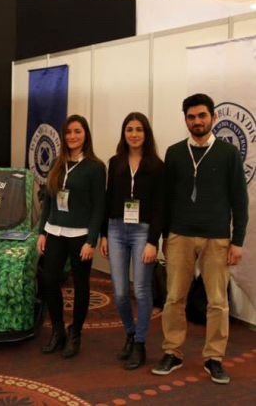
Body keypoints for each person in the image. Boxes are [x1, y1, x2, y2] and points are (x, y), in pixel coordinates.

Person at [151, 94, 249, 384]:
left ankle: (214, 358)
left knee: (217, 301)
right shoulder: (174, 153)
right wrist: (164, 236)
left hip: (216, 238)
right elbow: (166, 198)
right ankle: (172, 352)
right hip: (179, 235)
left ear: (213, 117)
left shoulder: (229, 153)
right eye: (191, 117)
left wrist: (237, 240)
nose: (197, 121)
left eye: (202, 115)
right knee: (173, 298)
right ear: (185, 120)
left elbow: (240, 200)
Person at [37, 114, 106, 358]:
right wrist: (42, 231)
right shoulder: (58, 164)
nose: (72, 136)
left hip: (80, 235)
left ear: (86, 134)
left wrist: (91, 240)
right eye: (68, 132)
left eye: (77, 131)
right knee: (49, 280)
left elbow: (99, 207)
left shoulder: (95, 167)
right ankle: (58, 330)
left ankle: (75, 332)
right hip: (54, 231)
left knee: (80, 284)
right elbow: (49, 200)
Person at [100, 112, 165, 370]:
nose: (134, 134)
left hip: (142, 232)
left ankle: (140, 343)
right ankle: (130, 332)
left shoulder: (157, 166)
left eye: (139, 129)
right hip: (116, 229)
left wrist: (153, 241)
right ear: (124, 133)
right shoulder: (115, 162)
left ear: (146, 134)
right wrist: (104, 234)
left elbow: (160, 206)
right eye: (129, 129)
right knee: (119, 292)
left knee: (141, 289)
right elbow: (108, 199)